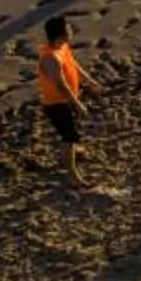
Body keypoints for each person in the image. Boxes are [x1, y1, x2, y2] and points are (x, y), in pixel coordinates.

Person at [35, 15, 91, 186]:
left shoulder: (62, 46)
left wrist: (89, 80)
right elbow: (60, 85)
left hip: (66, 101)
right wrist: (78, 104)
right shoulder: (50, 58)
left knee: (70, 131)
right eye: (68, 29)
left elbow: (72, 63)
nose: (72, 30)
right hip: (56, 105)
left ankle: (72, 151)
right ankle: (73, 175)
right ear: (60, 36)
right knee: (69, 137)